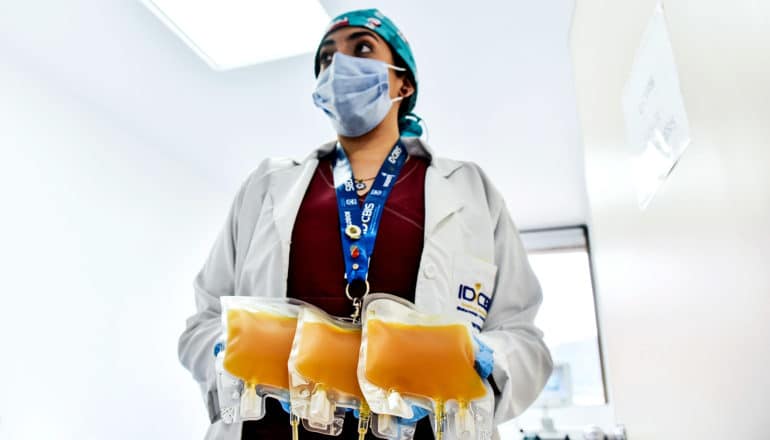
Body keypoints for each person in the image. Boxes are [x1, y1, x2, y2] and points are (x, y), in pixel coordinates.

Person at [178, 8, 553, 440]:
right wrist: (227, 351)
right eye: (326, 59)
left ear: (403, 82)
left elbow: (523, 338)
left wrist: (483, 358)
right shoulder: (267, 187)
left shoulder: (470, 191)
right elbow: (202, 322)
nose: (339, 66)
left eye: (361, 49)